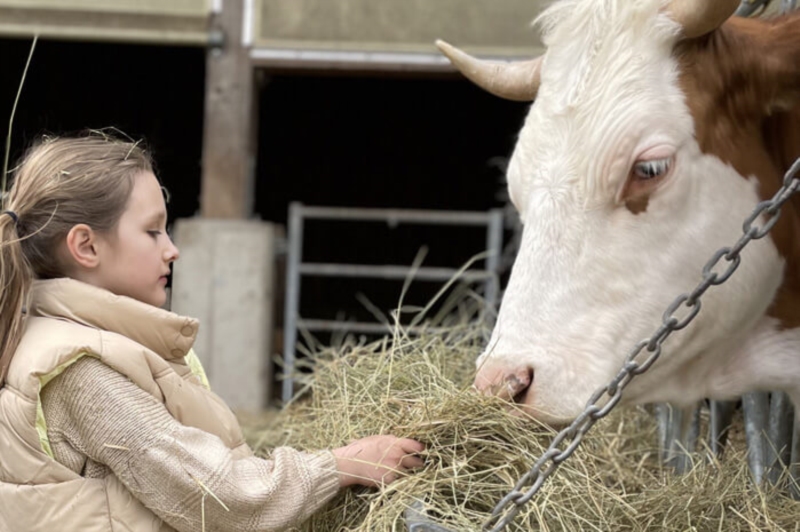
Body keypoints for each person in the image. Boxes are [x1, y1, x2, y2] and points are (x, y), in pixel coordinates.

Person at [0, 132, 425, 532]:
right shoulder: (82, 370)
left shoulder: (64, 340)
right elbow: (215, 495)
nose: (172, 249)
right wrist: (343, 464)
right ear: (86, 246)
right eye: (152, 232)